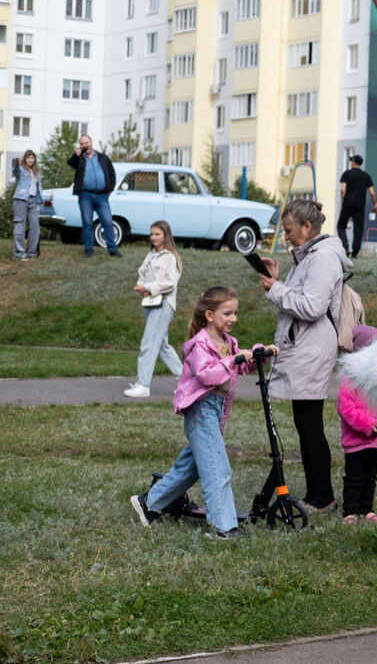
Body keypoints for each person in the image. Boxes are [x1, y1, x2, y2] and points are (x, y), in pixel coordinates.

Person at [129, 286, 278, 538]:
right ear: (209, 315)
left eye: (235, 313)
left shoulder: (228, 342)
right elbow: (207, 374)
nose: (233, 319)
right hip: (201, 409)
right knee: (217, 469)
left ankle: (148, 503)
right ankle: (224, 528)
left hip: (215, 409)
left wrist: (256, 356)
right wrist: (233, 360)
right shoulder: (201, 344)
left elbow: (236, 370)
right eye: (227, 313)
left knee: (192, 467)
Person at [259, 200, 352, 512]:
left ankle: (322, 497)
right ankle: (317, 495)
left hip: (312, 347)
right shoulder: (308, 256)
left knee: (310, 423)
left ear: (307, 227)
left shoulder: (323, 258)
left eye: (288, 230)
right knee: (305, 422)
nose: (285, 236)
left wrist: (275, 290)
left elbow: (311, 308)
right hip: (306, 345)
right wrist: (277, 281)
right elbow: (301, 298)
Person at [339, 325, 377, 524]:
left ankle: (367, 509)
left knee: (370, 477)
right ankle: (350, 510)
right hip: (356, 442)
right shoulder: (350, 378)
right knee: (354, 477)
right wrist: (368, 425)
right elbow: (347, 409)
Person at [124, 221, 184, 398]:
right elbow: (141, 274)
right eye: (151, 234)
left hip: (163, 304)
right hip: (149, 303)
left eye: (157, 234)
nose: (153, 237)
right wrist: (141, 287)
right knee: (162, 346)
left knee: (148, 344)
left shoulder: (170, 257)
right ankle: (186, 383)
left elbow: (170, 283)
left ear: (165, 235)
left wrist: (148, 287)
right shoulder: (150, 255)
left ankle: (143, 385)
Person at [67, 134, 120, 258]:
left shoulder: (102, 158)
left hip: (102, 196)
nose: (84, 145)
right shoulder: (79, 159)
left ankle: (113, 250)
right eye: (82, 143)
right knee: (87, 222)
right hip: (85, 195)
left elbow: (112, 173)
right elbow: (71, 163)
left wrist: (110, 189)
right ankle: (88, 249)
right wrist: (77, 154)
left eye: (86, 143)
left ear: (91, 143)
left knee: (107, 221)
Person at [338, 155, 377, 259]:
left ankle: (345, 248)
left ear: (353, 163)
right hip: (360, 205)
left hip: (348, 204)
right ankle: (355, 252)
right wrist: (375, 205)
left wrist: (343, 202)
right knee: (358, 228)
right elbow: (372, 193)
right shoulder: (366, 176)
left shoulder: (347, 174)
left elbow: (343, 190)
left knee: (341, 226)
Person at [11, 150, 44, 261]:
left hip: (33, 201)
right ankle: (19, 253)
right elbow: (15, 172)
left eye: (32, 158)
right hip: (21, 199)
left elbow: (39, 188)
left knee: (35, 227)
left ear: (34, 159)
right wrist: (16, 164)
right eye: (28, 157)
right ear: (25, 159)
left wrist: (44, 198)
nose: (30, 160)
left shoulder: (37, 172)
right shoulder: (21, 169)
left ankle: (32, 252)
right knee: (20, 225)